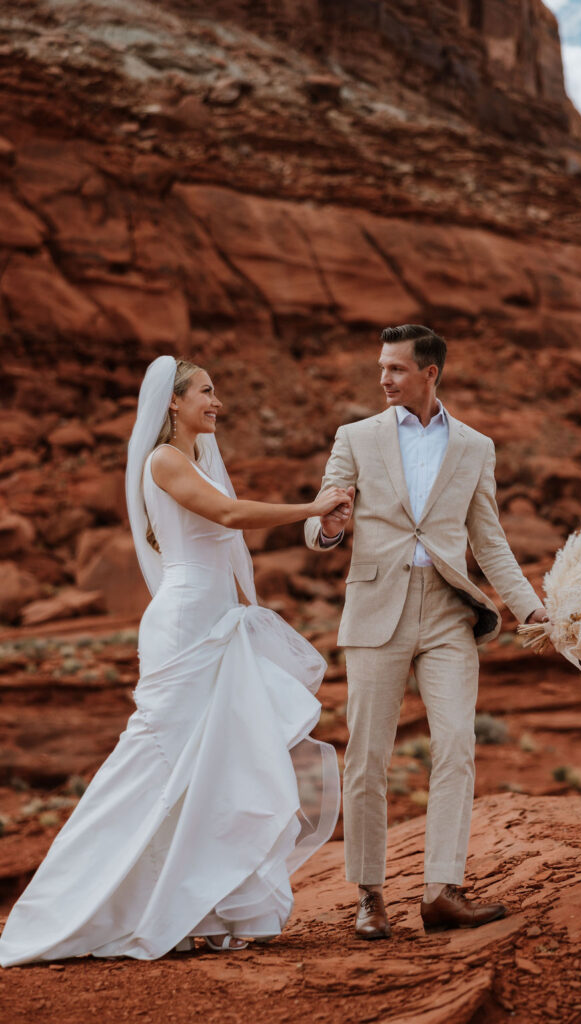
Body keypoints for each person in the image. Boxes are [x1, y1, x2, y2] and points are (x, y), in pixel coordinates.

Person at [0, 355, 350, 965]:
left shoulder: (196, 461)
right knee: (153, 762)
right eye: (207, 392)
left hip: (215, 620)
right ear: (173, 402)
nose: (217, 402)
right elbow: (232, 517)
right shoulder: (165, 461)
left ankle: (197, 910)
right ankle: (61, 909)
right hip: (186, 624)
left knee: (212, 767)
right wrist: (314, 508)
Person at [305, 325, 549, 939]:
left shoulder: (474, 446)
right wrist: (331, 525)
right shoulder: (354, 437)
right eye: (381, 368)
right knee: (367, 757)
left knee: (457, 747)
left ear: (429, 373)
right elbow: (317, 525)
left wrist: (532, 607)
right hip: (375, 606)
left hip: (447, 609)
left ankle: (443, 890)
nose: (383, 379)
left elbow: (487, 538)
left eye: (395, 369)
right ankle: (369, 896)